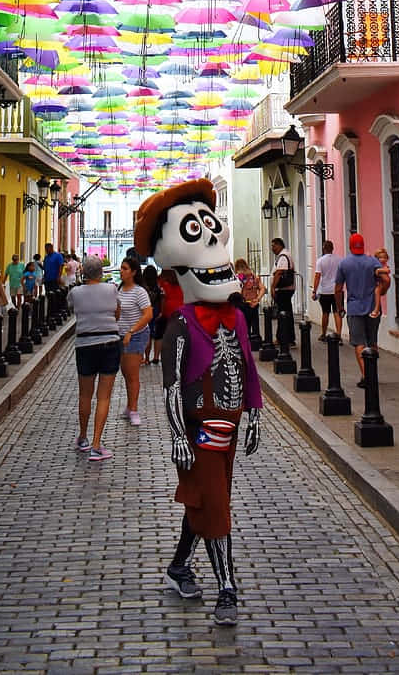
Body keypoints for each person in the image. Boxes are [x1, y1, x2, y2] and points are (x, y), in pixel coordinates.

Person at [134, 178, 261, 627]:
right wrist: (177, 437)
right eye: (194, 231)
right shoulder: (180, 328)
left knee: (210, 499)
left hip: (227, 426)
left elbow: (247, 366)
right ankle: (228, 587)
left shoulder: (234, 320)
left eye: (212, 229)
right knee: (215, 503)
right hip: (197, 428)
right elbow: (170, 389)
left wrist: (255, 415)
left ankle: (177, 566)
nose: (211, 240)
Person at [68, 254, 121, 462]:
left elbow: (73, 311)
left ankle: (83, 437)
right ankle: (97, 445)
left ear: (83, 273)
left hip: (85, 344)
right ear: (101, 273)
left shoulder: (75, 292)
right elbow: (117, 313)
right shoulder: (111, 289)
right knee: (104, 396)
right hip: (109, 343)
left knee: (84, 395)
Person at [334, 234, 389, 389]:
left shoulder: (344, 263)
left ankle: (367, 375)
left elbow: (338, 289)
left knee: (359, 342)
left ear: (350, 245)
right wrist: (382, 291)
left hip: (354, 307)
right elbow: (385, 279)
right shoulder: (372, 262)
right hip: (373, 307)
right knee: (372, 341)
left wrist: (340, 307)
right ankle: (373, 373)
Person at [117, 256, 153, 425]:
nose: (121, 271)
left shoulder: (139, 292)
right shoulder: (119, 289)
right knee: (125, 372)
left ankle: (134, 409)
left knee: (132, 374)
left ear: (133, 272)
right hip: (121, 336)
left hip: (136, 335)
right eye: (121, 268)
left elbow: (148, 314)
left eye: (125, 268)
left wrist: (132, 330)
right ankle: (129, 405)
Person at [311, 239, 343, 343]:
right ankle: (338, 334)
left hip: (324, 290)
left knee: (325, 312)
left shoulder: (320, 261)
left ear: (324, 249)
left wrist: (314, 291)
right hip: (337, 290)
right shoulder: (339, 260)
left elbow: (317, 276)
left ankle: (323, 334)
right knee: (337, 312)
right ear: (332, 249)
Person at [270, 237, 296, 346]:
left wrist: (273, 287)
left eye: (273, 245)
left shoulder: (283, 257)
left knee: (283, 314)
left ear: (279, 245)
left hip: (284, 290)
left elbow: (279, 272)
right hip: (285, 290)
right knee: (286, 314)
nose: (272, 248)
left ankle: (283, 338)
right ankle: (287, 337)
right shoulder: (284, 255)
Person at [234, 258, 265, 344]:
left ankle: (246, 344)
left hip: (243, 304)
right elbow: (263, 289)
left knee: (244, 326)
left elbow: (238, 290)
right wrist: (257, 299)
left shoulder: (238, 277)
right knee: (255, 324)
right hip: (254, 303)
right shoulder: (253, 276)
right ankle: (256, 342)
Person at [141, 265, 163, 365]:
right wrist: (161, 312)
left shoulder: (142, 287)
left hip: (144, 312)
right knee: (151, 336)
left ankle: (144, 358)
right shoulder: (157, 287)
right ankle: (149, 357)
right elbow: (161, 300)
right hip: (155, 312)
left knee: (143, 335)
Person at [369, 248, 391, 323]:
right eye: (380, 258)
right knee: (377, 292)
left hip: (381, 284)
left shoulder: (384, 266)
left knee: (377, 291)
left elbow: (387, 271)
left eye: (384, 257)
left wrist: (378, 270)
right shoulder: (377, 265)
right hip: (379, 283)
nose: (382, 259)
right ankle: (377, 308)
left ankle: (376, 309)